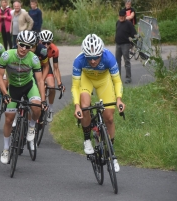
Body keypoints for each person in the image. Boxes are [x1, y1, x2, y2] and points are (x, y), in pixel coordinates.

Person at [72, 33, 125, 172]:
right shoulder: (79, 60)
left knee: (109, 117)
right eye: (89, 58)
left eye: (96, 57)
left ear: (101, 53)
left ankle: (111, 154)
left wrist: (119, 98)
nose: (93, 61)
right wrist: (76, 105)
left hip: (104, 82)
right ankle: (87, 139)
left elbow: (117, 81)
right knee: (84, 108)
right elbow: (75, 86)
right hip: (86, 80)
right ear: (85, 55)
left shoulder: (109, 58)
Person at [0, 30, 47, 164]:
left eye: (28, 46)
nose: (24, 48)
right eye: (21, 45)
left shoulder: (34, 59)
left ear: (31, 47)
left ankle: (31, 127)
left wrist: (43, 100)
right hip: (13, 88)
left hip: (29, 86)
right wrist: (5, 94)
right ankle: (6, 149)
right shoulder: (7, 56)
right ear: (17, 43)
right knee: (8, 120)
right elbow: (0, 77)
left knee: (37, 108)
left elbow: (40, 80)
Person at [38, 30, 65, 122]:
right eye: (43, 42)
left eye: (48, 43)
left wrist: (60, 83)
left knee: (52, 87)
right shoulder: (36, 47)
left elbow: (56, 68)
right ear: (39, 41)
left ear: (51, 42)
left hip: (46, 66)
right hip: (36, 66)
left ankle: (51, 109)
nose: (45, 45)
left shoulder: (54, 49)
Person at [115, 10, 137, 84]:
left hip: (125, 45)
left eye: (122, 16)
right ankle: (117, 77)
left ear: (125, 16)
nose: (121, 17)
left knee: (126, 61)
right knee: (117, 62)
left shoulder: (129, 24)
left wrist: (132, 44)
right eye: (120, 16)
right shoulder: (117, 22)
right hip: (118, 45)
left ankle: (128, 77)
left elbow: (134, 34)